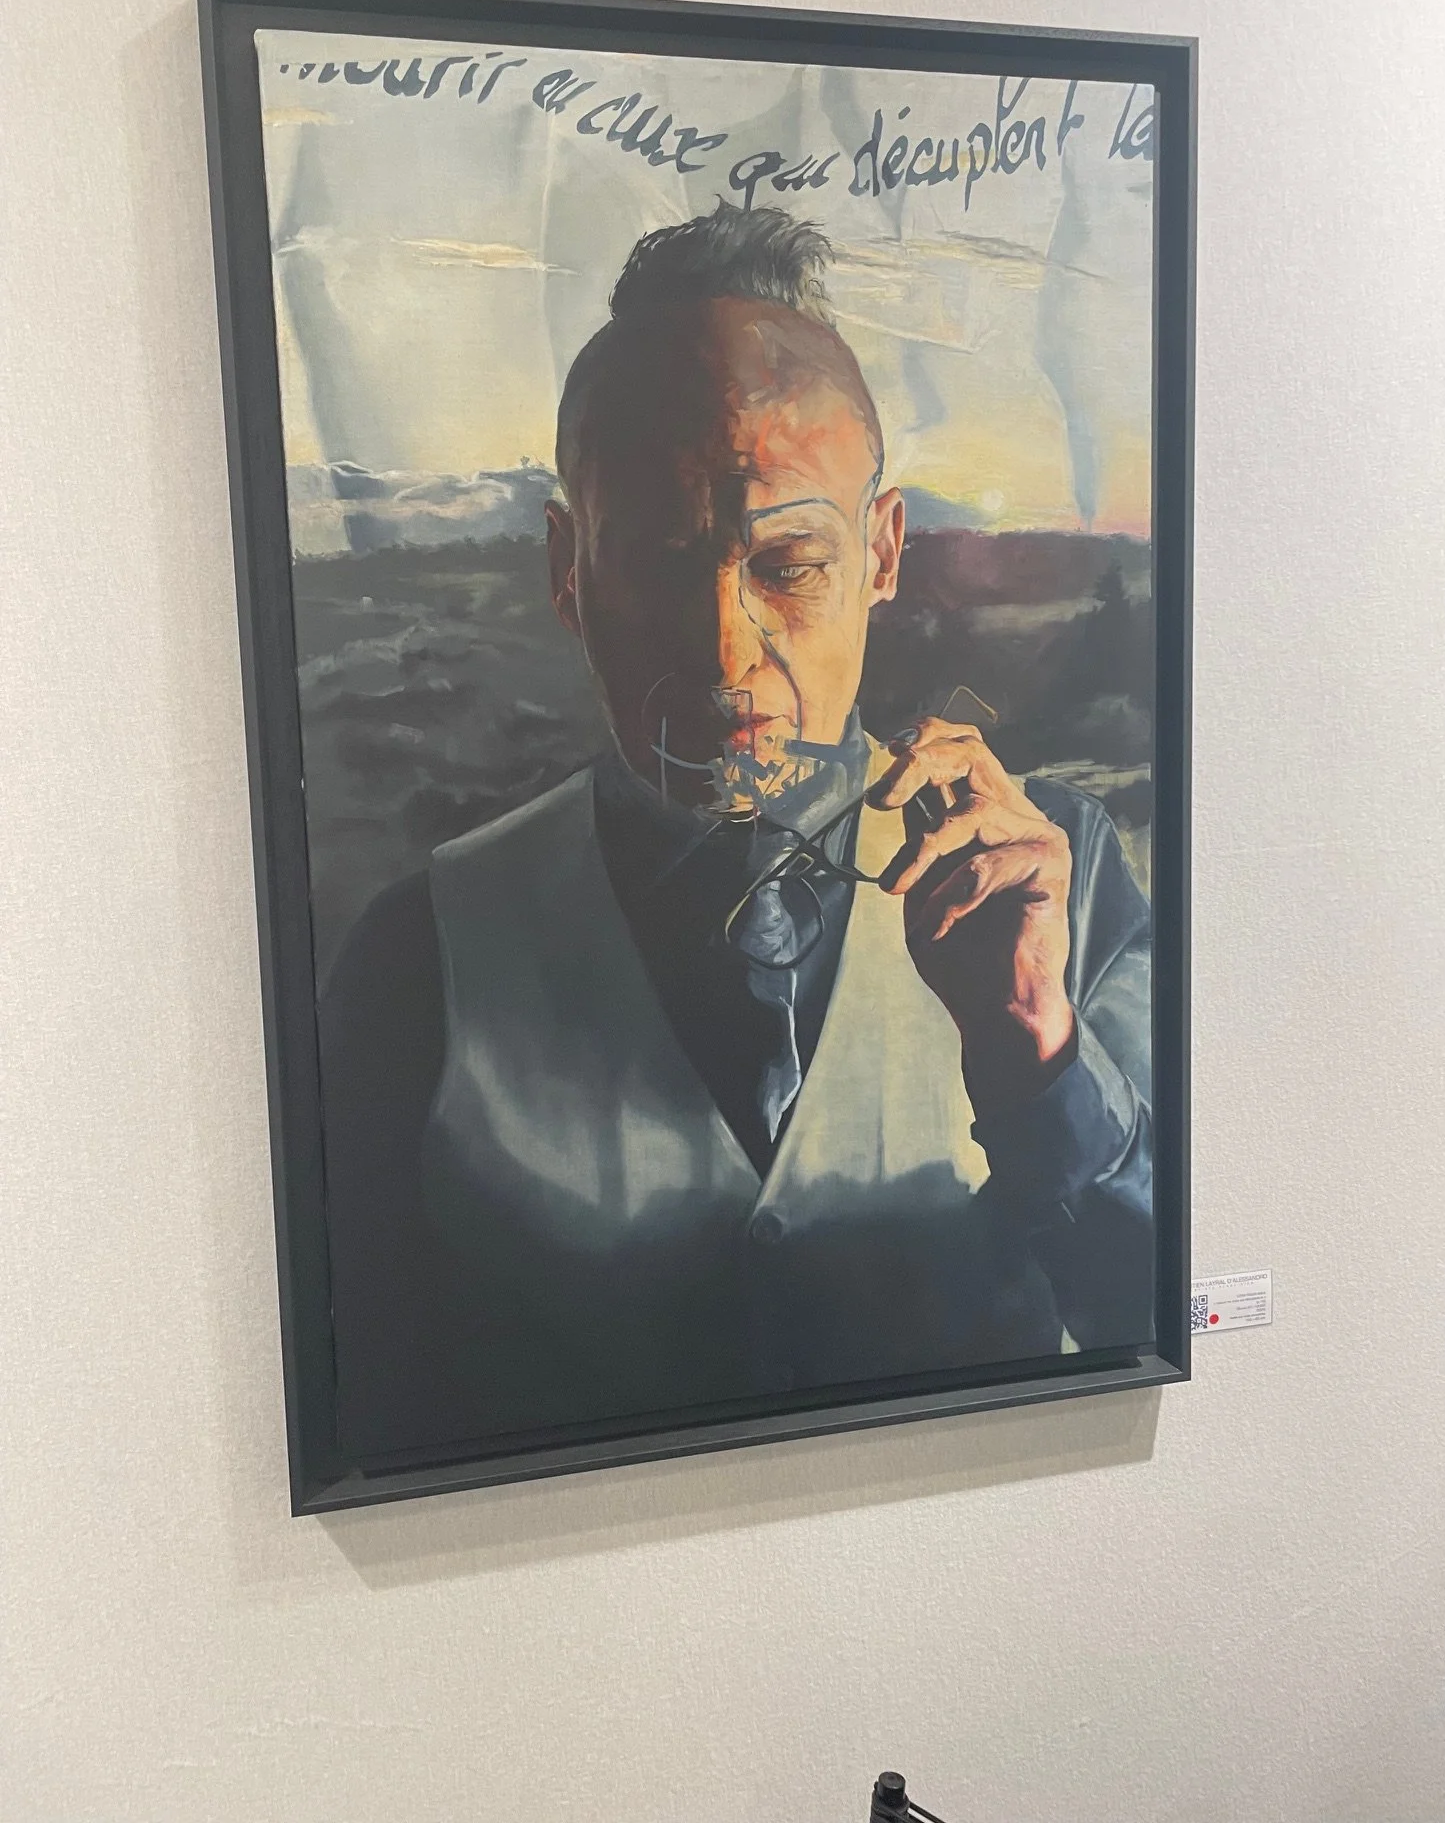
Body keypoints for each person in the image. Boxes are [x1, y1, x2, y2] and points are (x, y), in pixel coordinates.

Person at [317, 204, 1153, 1463]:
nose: (722, 653)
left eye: (789, 563)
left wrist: (1041, 1059)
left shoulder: (1064, 881)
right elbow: (358, 1415)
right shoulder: (414, 958)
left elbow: (1160, 1317)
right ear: (567, 570)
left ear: (881, 554)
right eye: (657, 562)